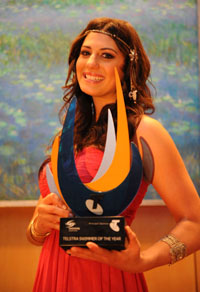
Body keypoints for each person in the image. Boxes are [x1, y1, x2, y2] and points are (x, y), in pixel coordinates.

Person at [26, 17, 200, 292]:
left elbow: (195, 222)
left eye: (106, 55)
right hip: (52, 275)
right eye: (86, 53)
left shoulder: (145, 132)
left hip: (107, 279)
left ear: (127, 69)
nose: (92, 63)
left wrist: (142, 261)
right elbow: (40, 229)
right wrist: (38, 225)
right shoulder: (69, 133)